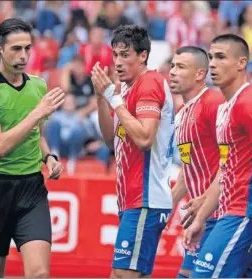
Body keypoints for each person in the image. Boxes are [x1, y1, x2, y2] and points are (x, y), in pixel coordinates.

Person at [183, 34, 252, 278]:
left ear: (242, 63)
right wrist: (201, 218)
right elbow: (226, 170)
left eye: (220, 57)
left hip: (247, 213)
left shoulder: (249, 102)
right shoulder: (225, 109)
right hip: (235, 211)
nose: (212, 64)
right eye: (210, 57)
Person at [0, 18, 65, 277]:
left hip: (31, 188)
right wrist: (37, 112)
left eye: (27, 48)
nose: (24, 55)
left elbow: (37, 135)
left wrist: (50, 157)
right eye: (16, 49)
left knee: (39, 273)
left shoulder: (38, 86)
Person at [91, 25, 174, 278]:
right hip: (133, 198)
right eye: (115, 55)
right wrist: (101, 98)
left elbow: (145, 138)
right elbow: (110, 141)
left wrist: (112, 98)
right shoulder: (126, 89)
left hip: (145, 198)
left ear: (143, 55)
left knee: (121, 274)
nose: (117, 62)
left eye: (125, 55)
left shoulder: (149, 83)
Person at [169, 46, 224, 278]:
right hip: (202, 216)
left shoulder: (214, 102)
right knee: (186, 274)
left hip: (222, 213)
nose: (172, 72)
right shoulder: (181, 113)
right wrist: (165, 208)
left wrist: (205, 199)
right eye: (172, 65)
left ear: (200, 74)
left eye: (180, 67)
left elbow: (232, 160)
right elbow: (186, 168)